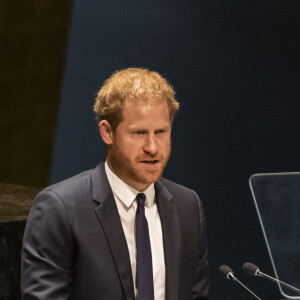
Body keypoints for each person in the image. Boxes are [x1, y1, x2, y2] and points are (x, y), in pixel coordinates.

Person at [21, 68, 210, 300]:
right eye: (139, 132)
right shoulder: (61, 208)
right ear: (107, 132)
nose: (152, 147)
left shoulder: (187, 206)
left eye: (160, 131)